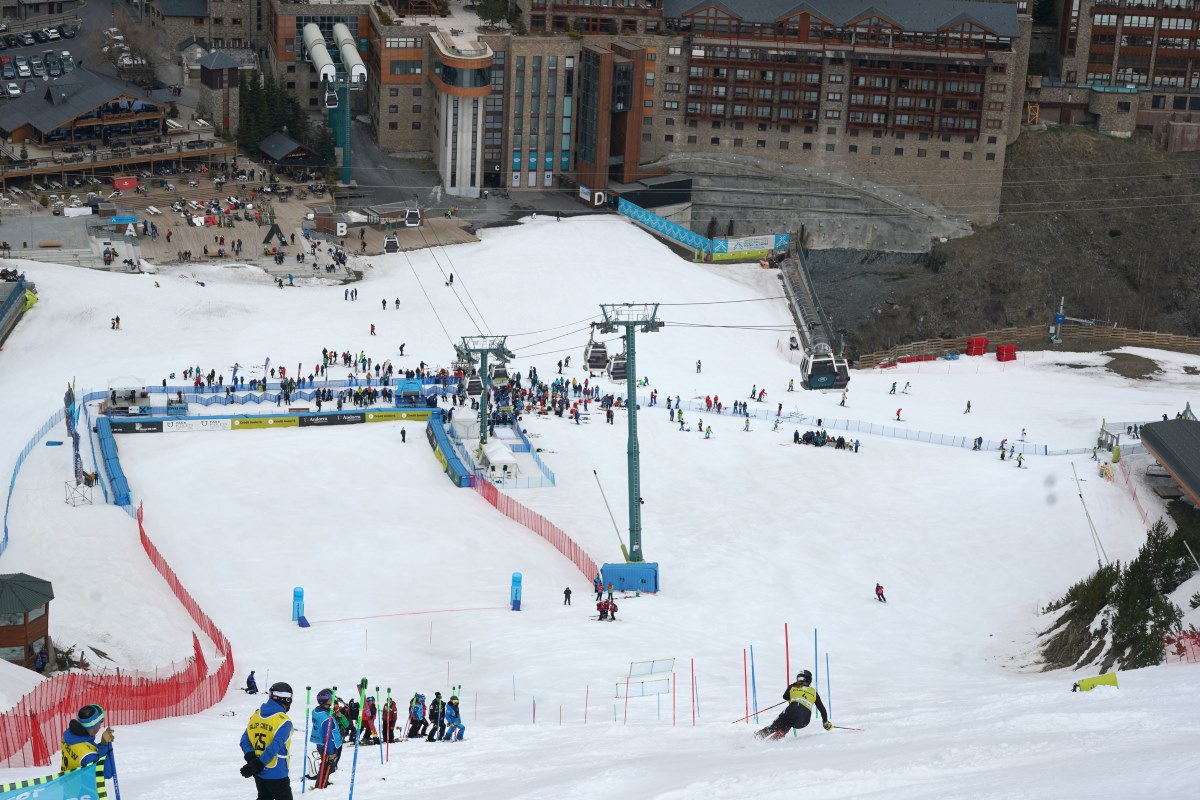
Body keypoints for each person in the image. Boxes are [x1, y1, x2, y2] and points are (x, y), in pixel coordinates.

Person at [239, 682, 295, 799]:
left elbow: (245, 740)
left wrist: (252, 760)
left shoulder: (256, 715)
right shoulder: (284, 722)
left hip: (259, 773)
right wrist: (257, 763)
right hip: (277, 773)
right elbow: (274, 747)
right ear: (287, 700)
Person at [755, 671, 831, 740]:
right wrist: (825, 722)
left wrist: (793, 697)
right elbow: (822, 708)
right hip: (805, 720)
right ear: (809, 680)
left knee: (777, 725)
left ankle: (756, 738)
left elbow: (785, 696)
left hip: (793, 709)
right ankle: (775, 739)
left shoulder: (793, 686)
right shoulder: (814, 692)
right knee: (788, 724)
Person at [60, 704, 115, 778]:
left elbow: (87, 749)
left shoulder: (68, 735)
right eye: (101, 722)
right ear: (94, 726)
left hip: (68, 783)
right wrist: (104, 746)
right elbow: (106, 773)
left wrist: (102, 744)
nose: (100, 725)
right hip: (82, 788)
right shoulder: (87, 755)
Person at [309, 688, 341, 788]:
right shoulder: (326, 718)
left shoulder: (317, 711)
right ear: (327, 700)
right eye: (331, 698)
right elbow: (328, 736)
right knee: (328, 765)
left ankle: (323, 782)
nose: (333, 700)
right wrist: (331, 753)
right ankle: (321, 785)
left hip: (320, 744)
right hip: (328, 746)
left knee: (326, 764)